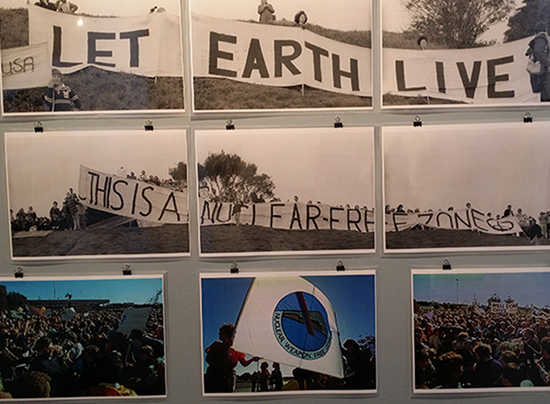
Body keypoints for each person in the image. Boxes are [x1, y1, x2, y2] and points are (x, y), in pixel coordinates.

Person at [204, 324, 261, 393]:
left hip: (228, 377)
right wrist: (225, 347)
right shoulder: (217, 344)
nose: (219, 334)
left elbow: (244, 363)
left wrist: (252, 359)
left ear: (226, 334)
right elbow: (209, 356)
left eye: (221, 332)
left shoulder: (236, 350)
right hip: (214, 375)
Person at [527, 22, 550, 101]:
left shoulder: (537, 39)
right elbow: (539, 52)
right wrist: (548, 64)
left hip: (542, 71)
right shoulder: (541, 38)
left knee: (545, 94)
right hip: (544, 71)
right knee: (547, 94)